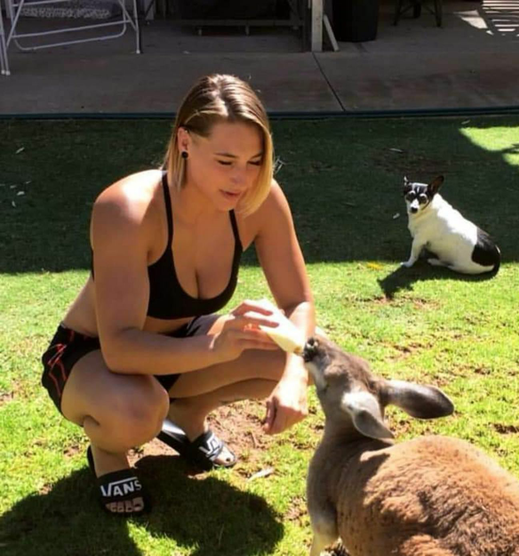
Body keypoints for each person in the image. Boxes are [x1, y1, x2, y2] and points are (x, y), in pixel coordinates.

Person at [40, 74, 315, 516]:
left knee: (289, 352)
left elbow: (297, 303)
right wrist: (214, 347)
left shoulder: (260, 200)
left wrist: (295, 373)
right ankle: (108, 452)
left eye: (254, 161)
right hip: (94, 357)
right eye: (226, 161)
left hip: (184, 347)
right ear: (185, 141)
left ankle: (186, 420)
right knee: (138, 409)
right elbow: (121, 348)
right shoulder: (127, 209)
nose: (242, 179)